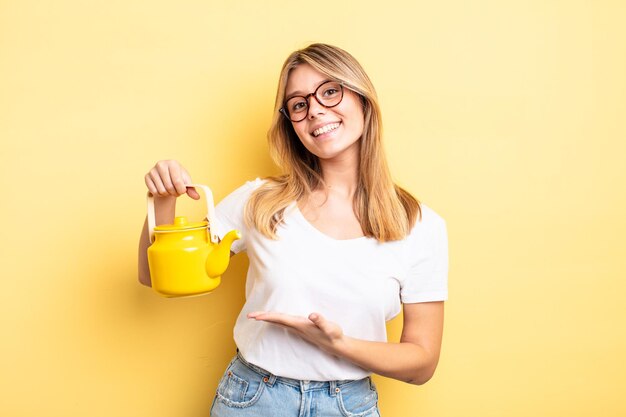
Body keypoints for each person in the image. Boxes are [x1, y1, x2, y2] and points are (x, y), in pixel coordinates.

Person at [138, 43, 448, 417]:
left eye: (330, 91)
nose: (315, 109)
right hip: (252, 400)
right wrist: (162, 201)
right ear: (291, 123)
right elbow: (152, 275)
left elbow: (422, 363)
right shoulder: (260, 201)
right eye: (299, 104)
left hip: (348, 406)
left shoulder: (420, 225)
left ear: (363, 100)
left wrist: (338, 343)